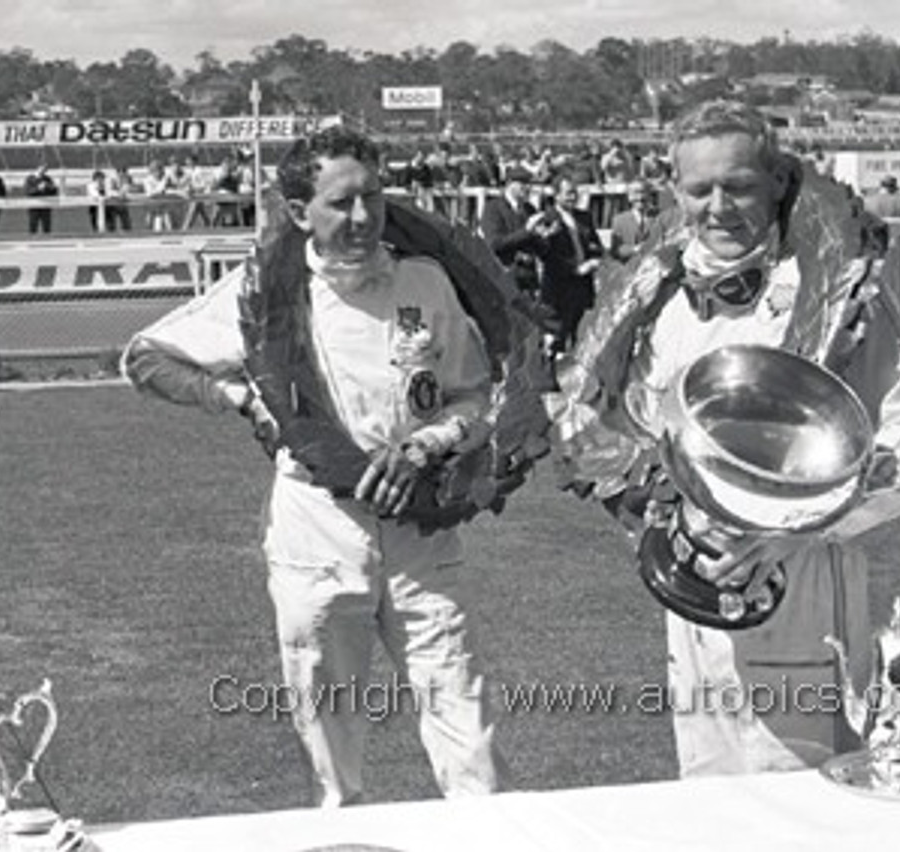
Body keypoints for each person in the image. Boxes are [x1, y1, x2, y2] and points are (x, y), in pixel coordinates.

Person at [545, 100, 900, 776]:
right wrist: (651, 517)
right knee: (710, 804)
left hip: (801, 587)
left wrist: (802, 527)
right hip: (691, 605)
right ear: (675, 193)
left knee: (807, 804)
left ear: (776, 184)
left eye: (737, 185)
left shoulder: (838, 293)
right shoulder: (661, 303)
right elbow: (631, 434)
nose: (719, 207)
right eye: (700, 189)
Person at [123, 125, 505, 808]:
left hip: (423, 535)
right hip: (318, 536)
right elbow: (145, 357)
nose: (362, 218)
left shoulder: (424, 280)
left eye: (372, 197)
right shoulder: (266, 292)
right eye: (340, 203)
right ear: (300, 212)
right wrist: (242, 398)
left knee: (468, 736)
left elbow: (475, 395)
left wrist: (430, 444)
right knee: (331, 750)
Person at [536, 176, 603, 353]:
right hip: (558, 290)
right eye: (568, 194)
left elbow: (596, 246)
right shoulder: (546, 219)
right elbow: (548, 256)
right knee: (556, 342)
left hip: (582, 289)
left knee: (581, 340)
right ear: (556, 195)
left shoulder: (585, 217)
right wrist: (576, 268)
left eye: (575, 193)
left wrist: (595, 259)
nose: (573, 197)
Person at [479, 166, 550, 295]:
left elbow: (541, 251)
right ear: (509, 183)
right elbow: (495, 244)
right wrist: (527, 231)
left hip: (528, 281)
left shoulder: (530, 209)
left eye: (529, 183)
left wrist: (545, 237)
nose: (527, 187)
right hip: (504, 278)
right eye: (522, 183)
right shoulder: (493, 209)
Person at [607, 180, 656, 263]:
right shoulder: (619, 220)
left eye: (643, 192)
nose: (640, 197)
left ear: (649, 195)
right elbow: (616, 250)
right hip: (629, 268)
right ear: (629, 196)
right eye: (635, 193)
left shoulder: (660, 217)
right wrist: (634, 249)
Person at [23, 163, 58, 235]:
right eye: (42, 168)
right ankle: (32, 241)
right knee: (33, 226)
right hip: (34, 207)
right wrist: (38, 189)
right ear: (38, 168)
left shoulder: (48, 179)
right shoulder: (30, 179)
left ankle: (47, 241)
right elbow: (27, 192)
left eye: (46, 169)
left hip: (45, 206)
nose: (44, 170)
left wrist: (51, 188)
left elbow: (54, 192)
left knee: (46, 227)